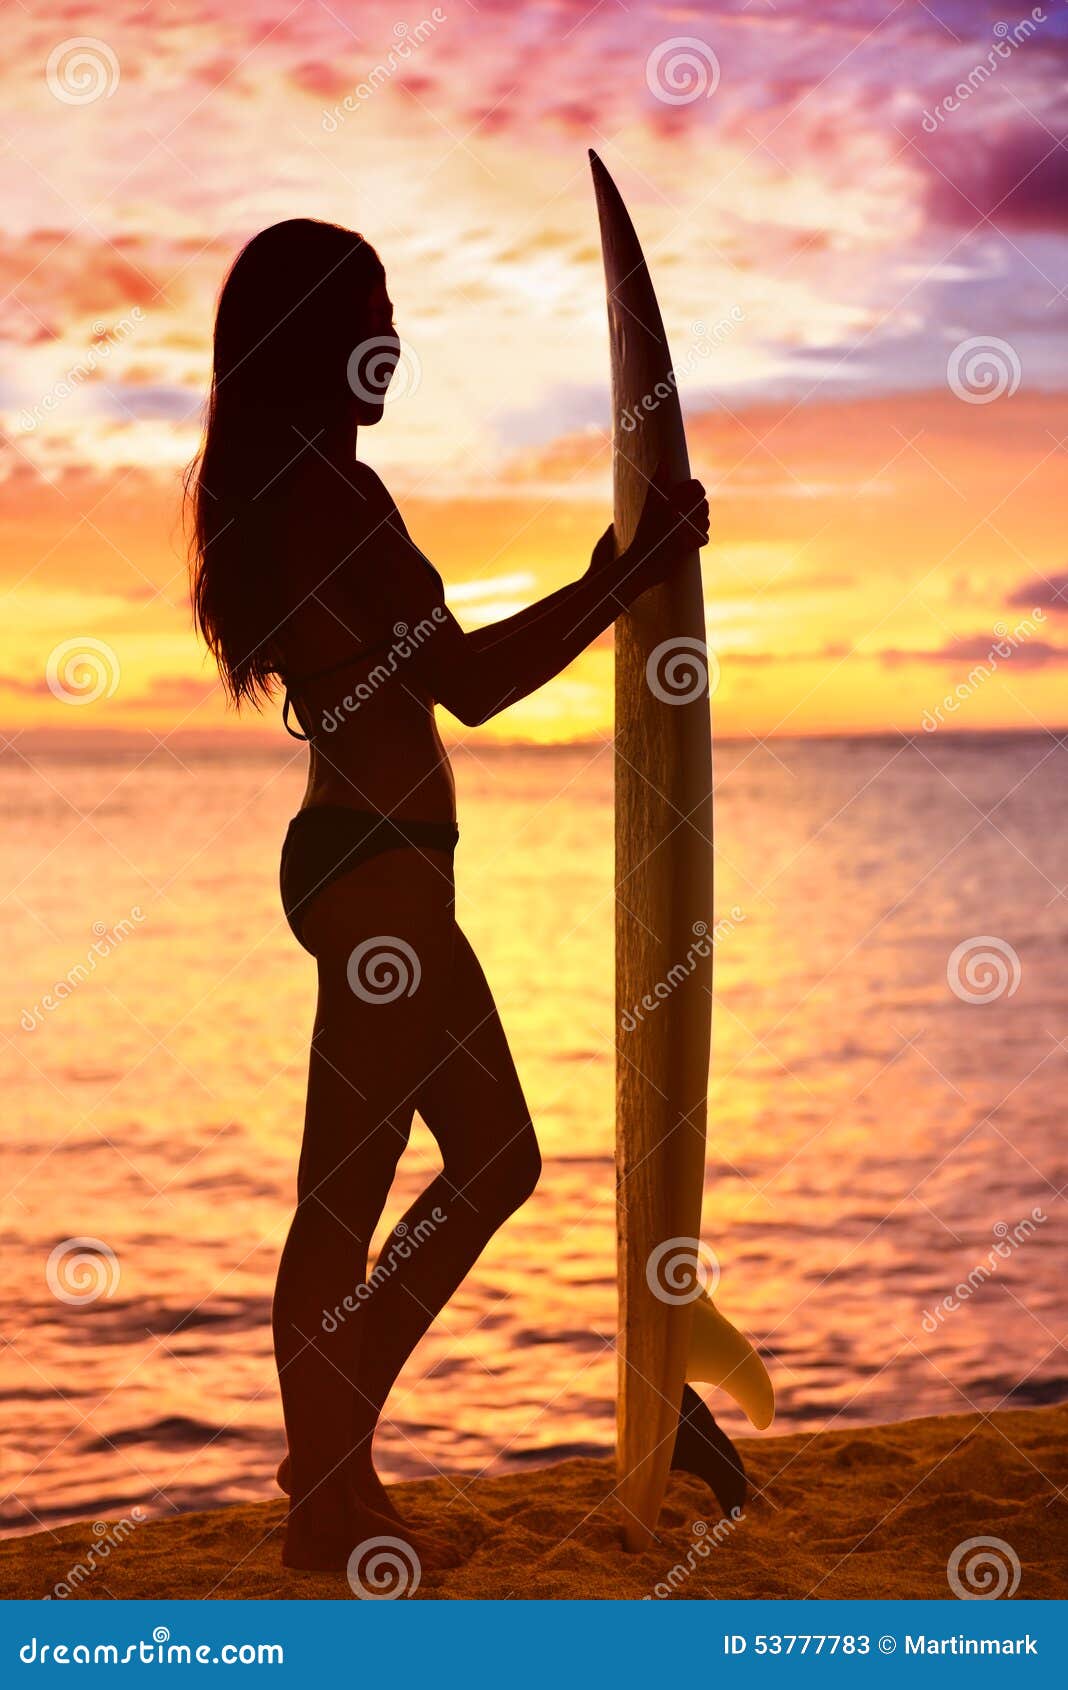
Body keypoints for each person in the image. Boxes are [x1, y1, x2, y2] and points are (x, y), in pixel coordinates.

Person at [187, 218, 709, 1571]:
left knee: (487, 1161)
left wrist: (614, 578)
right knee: (357, 1200)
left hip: (381, 866)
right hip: (373, 871)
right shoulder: (322, 497)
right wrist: (633, 578)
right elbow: (470, 686)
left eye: (394, 309)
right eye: (368, 315)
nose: (392, 339)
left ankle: (333, 1451)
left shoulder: (328, 488)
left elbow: (455, 671)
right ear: (314, 343)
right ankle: (327, 1483)